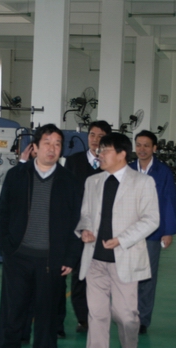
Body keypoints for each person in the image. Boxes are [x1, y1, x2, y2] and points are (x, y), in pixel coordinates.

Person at [0, 124, 82, 348]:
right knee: (12, 315)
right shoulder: (17, 175)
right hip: (18, 258)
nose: (52, 149)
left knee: (47, 316)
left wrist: (70, 257)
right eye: (47, 143)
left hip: (50, 261)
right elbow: (2, 213)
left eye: (57, 144)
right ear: (34, 147)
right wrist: (6, 246)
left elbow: (77, 222)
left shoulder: (69, 181)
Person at [76, 132, 159, 348]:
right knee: (97, 316)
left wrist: (122, 239)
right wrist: (84, 230)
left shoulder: (143, 183)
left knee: (126, 317)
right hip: (95, 261)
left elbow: (151, 219)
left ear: (122, 154)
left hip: (125, 260)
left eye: (105, 150)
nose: (99, 154)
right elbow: (85, 215)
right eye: (99, 150)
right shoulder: (93, 181)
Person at [63, 120, 111, 334]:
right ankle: (83, 318)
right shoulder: (73, 161)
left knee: (103, 273)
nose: (95, 139)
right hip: (79, 227)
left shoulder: (111, 164)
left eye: (101, 136)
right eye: (92, 134)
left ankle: (100, 314)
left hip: (105, 228)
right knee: (80, 274)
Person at [128, 130, 176, 334]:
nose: (142, 149)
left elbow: (169, 201)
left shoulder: (163, 172)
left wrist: (168, 231)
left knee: (147, 277)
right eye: (138, 145)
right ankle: (128, 316)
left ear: (154, 148)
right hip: (129, 233)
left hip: (152, 233)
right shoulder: (127, 170)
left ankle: (143, 320)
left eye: (146, 145)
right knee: (128, 277)